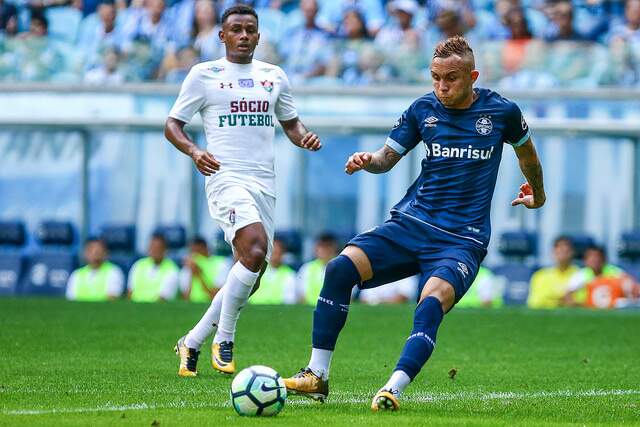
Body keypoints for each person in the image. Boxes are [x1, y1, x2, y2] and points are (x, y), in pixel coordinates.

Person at [283, 35, 545, 411]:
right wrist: (367, 160)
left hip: (461, 239)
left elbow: (529, 156)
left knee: (430, 303)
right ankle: (316, 375)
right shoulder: (423, 110)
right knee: (340, 269)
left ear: (473, 76)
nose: (441, 86)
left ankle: (393, 388)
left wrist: (539, 194)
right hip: (411, 224)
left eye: (451, 78)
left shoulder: (501, 112)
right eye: (436, 77)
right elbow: (387, 158)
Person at [165, 4, 321, 377]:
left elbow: (291, 123)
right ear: (222, 36)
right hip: (224, 175)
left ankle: (193, 340)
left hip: (263, 181)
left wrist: (304, 138)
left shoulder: (273, 75)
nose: (244, 35)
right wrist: (194, 150)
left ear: (258, 35)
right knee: (252, 250)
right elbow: (173, 124)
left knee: (254, 269)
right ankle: (226, 337)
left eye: (250, 29)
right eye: (236, 29)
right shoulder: (204, 74)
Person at [563, 245, 628, 306]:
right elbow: (567, 295)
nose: (594, 260)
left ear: (604, 259)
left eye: (597, 257)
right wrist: (582, 304)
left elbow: (631, 285)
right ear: (585, 260)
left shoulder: (613, 271)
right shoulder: (582, 275)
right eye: (591, 257)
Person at [527, 236, 578, 309]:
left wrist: (551, 298)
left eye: (566, 249)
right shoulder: (540, 276)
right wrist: (560, 300)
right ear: (553, 252)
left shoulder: (580, 275)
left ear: (572, 252)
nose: (562, 251)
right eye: (559, 249)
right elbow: (535, 302)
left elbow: (581, 301)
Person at [127, 233, 179, 302]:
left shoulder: (172, 269)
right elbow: (130, 292)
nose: (154, 251)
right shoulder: (138, 265)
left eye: (158, 248)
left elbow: (163, 299)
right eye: (152, 247)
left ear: (165, 250)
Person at [179, 236, 231, 303]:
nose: (195, 256)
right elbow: (186, 298)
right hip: (193, 306)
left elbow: (215, 297)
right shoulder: (189, 265)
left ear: (205, 248)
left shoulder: (222, 264)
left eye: (197, 251)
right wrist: (192, 274)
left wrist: (199, 276)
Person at [248, 237, 297, 305]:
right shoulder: (256, 270)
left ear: (282, 254)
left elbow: (290, 301)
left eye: (277, 253)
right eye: (272, 253)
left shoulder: (289, 275)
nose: (274, 256)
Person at [295, 233, 339, 305]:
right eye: (321, 246)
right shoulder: (306, 268)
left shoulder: (343, 269)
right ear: (316, 248)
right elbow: (300, 296)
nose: (324, 250)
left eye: (328, 246)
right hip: (309, 311)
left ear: (334, 248)